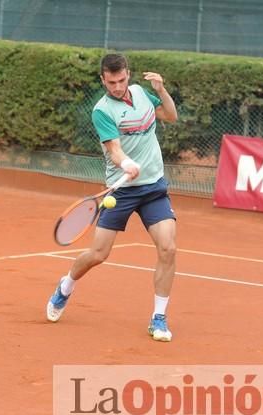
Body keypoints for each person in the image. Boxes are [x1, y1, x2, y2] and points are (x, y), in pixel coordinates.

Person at [46, 53, 179, 342]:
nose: (117, 87)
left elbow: (171, 115)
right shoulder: (102, 110)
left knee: (168, 249)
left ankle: (158, 318)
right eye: (111, 82)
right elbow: (115, 149)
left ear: (128, 74)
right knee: (98, 254)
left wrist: (161, 91)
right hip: (122, 191)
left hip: (153, 187)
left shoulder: (143, 94)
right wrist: (125, 164)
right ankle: (65, 286)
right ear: (103, 80)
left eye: (121, 80)